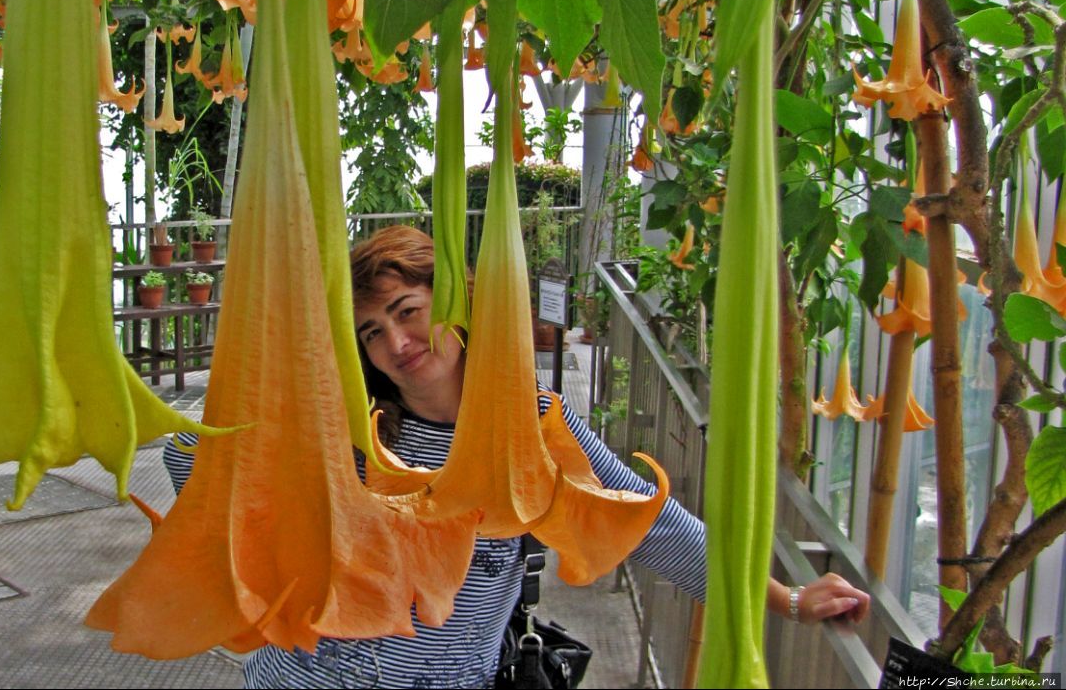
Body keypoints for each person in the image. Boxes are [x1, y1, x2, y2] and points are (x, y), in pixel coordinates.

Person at [164, 225, 870, 688]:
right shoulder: (355, 428)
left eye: (409, 309)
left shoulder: (531, 429)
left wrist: (785, 598)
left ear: (457, 303)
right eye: (371, 332)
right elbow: (190, 464)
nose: (397, 341)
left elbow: (648, 525)